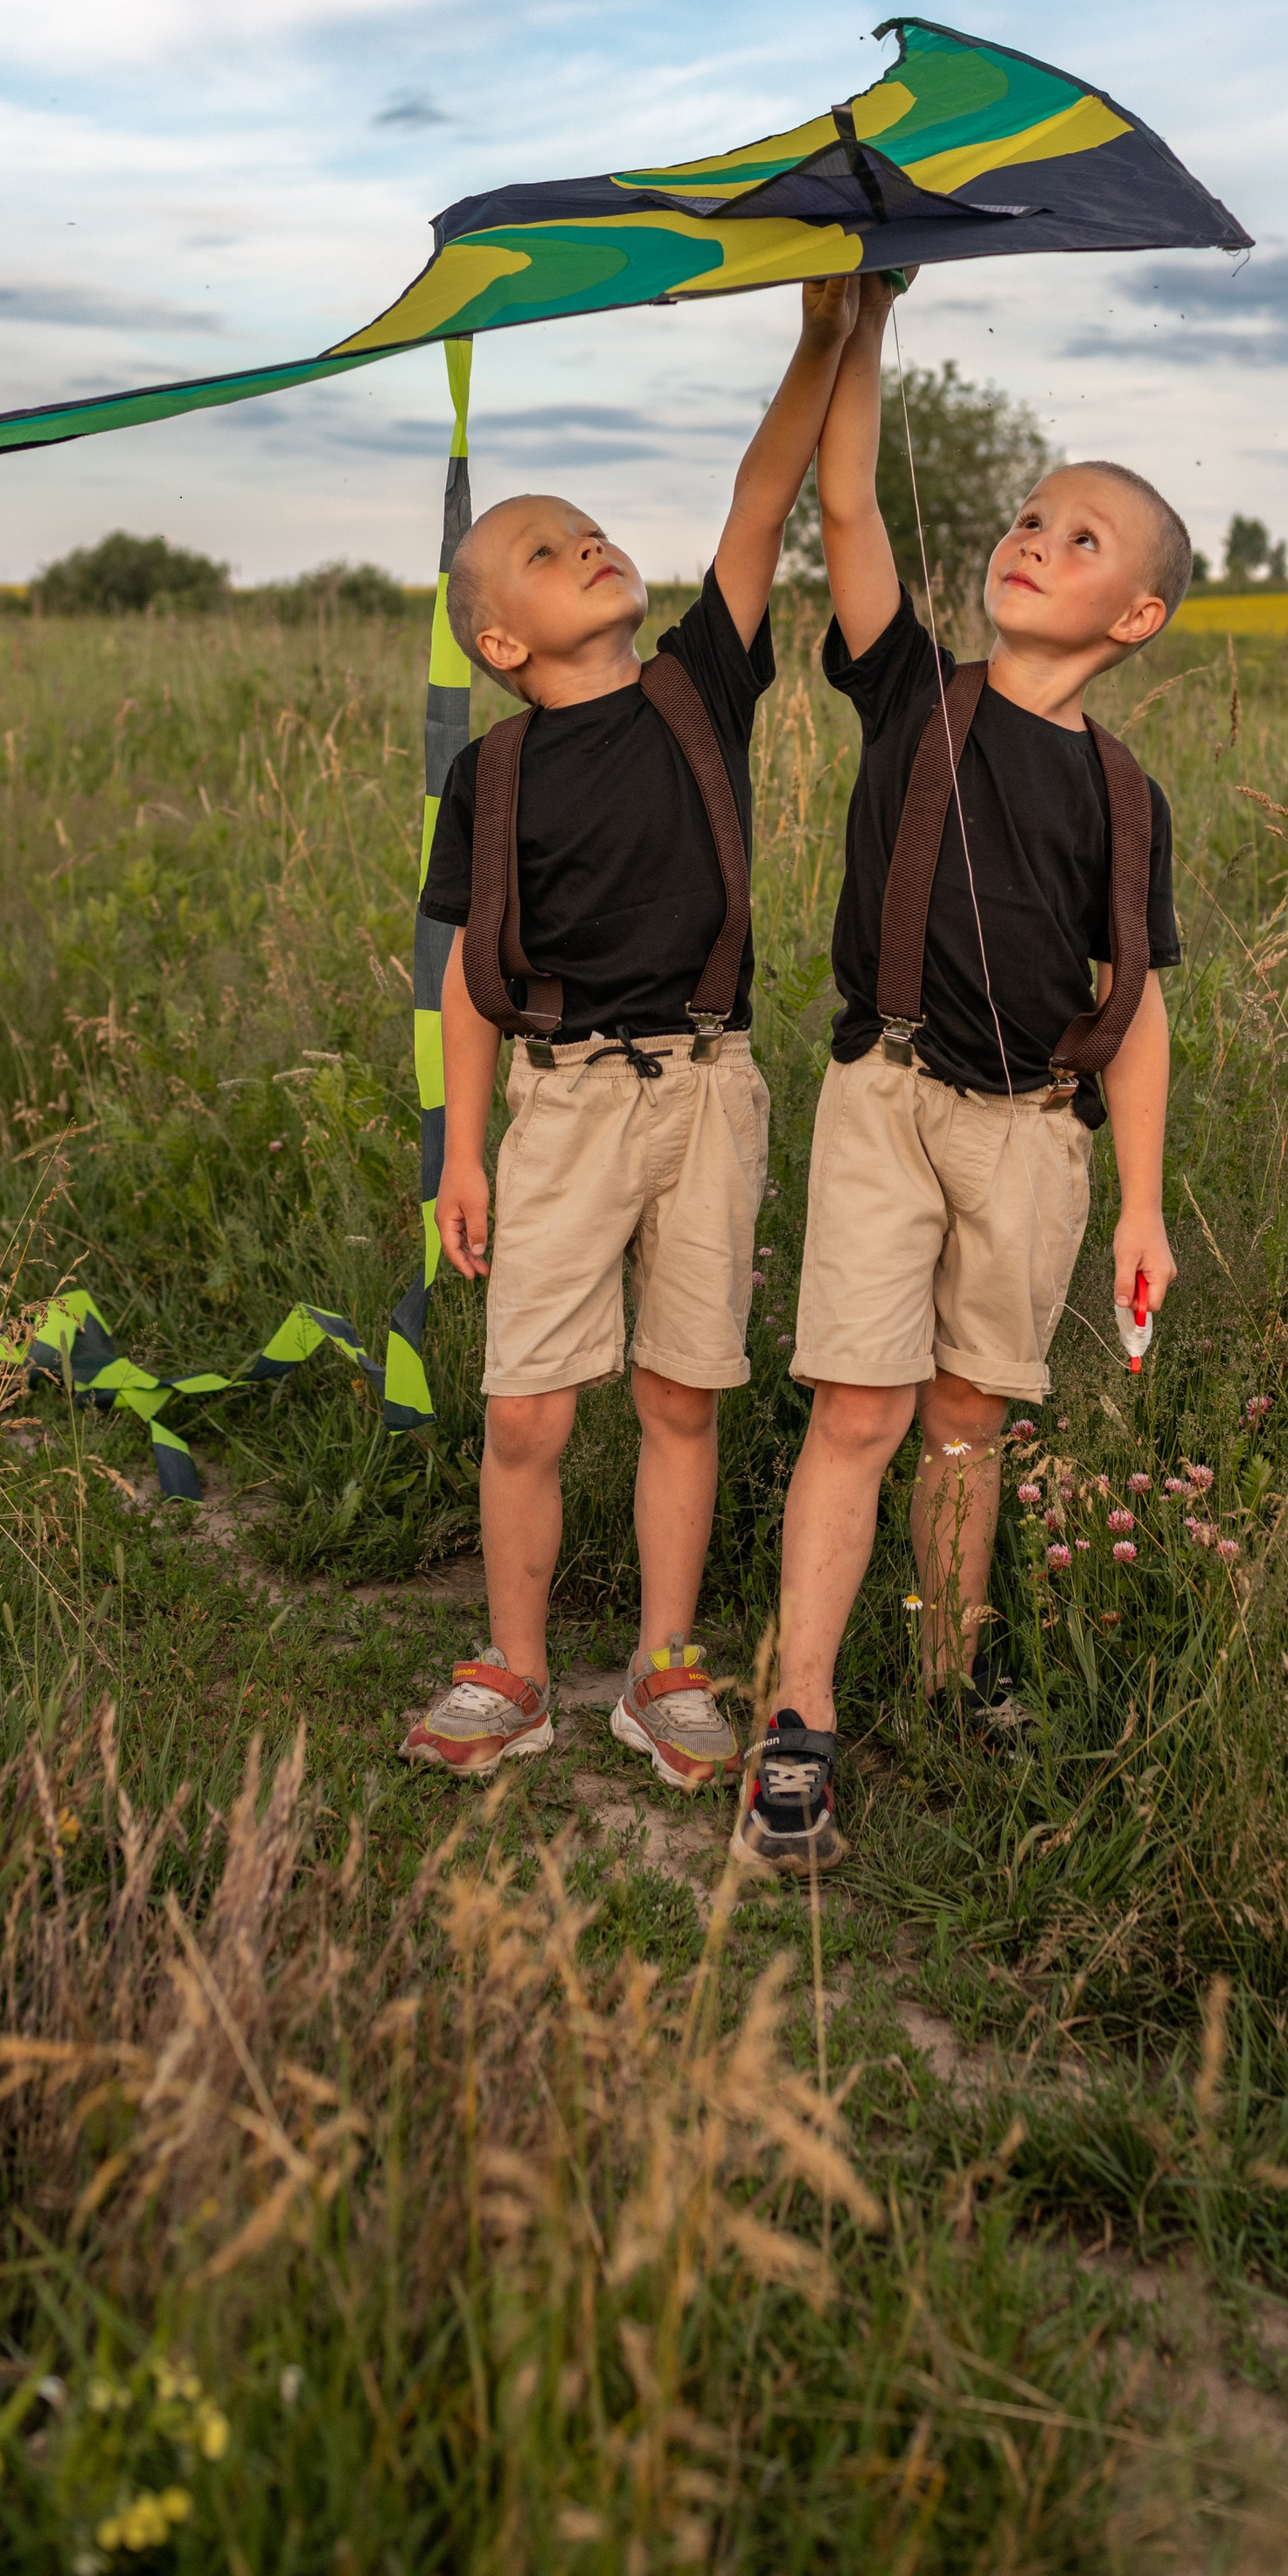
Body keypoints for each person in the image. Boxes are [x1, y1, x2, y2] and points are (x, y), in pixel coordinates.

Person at [735, 272, 1186, 1871]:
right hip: (889, 1098)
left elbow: (1133, 1007)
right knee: (858, 1407)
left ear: (1133, 619)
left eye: (1078, 539)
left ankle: (949, 1656)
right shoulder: (915, 692)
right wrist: (857, 317)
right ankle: (799, 1722)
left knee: (967, 1421)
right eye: (1026, 516)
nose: (1030, 539)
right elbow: (847, 498)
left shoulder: (1125, 797)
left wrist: (1143, 1203)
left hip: (1035, 1146)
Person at [401, 277, 865, 1789]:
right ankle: (516, 1668)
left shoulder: (695, 691)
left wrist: (824, 337)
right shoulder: (496, 778)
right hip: (564, 1109)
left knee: (683, 1391)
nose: (585, 544)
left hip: (710, 1094)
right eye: (545, 547)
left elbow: (760, 497)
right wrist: (462, 1158)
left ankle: (663, 1668)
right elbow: (471, 979)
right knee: (528, 1407)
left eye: (588, 527)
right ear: (498, 636)